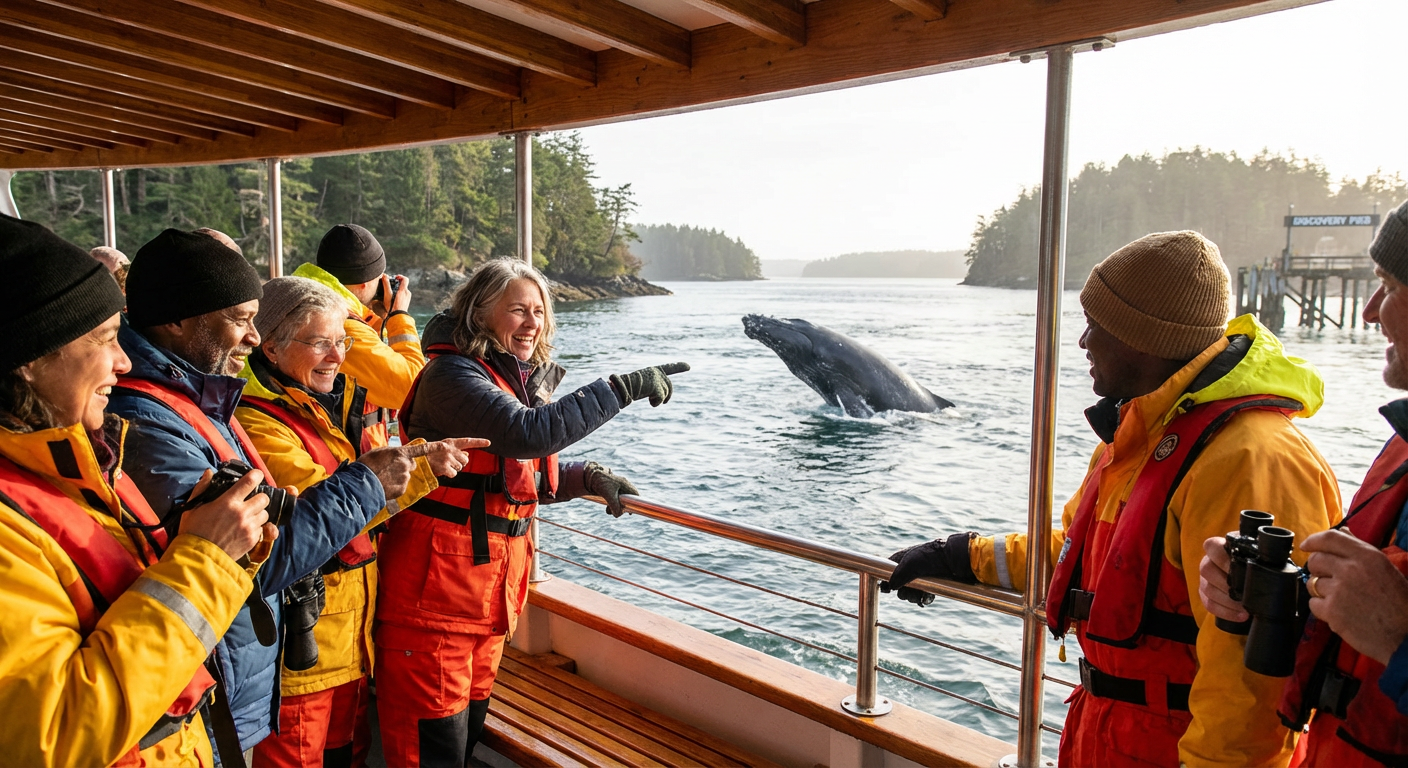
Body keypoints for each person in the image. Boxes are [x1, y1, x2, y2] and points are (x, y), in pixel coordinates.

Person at [883, 231, 1341, 767]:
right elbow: (1086, 561)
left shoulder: (1250, 460)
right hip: (1107, 735)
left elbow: (1252, 694)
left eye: (1096, 326)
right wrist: (960, 555)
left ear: (1141, 338)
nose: (1083, 342)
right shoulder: (1143, 436)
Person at [107, 228, 449, 765]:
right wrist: (374, 477)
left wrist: (414, 468)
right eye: (241, 321)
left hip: (278, 657)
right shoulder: (150, 422)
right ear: (177, 320)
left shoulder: (207, 401)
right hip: (235, 670)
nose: (249, 339)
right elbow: (262, 556)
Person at [374, 258, 690, 766]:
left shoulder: (507, 380)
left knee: (464, 741)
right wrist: (621, 388)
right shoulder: (452, 375)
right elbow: (529, 433)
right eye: (517, 309)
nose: (532, 322)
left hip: (484, 604)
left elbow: (519, 473)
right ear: (479, 313)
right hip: (431, 607)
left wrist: (586, 477)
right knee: (428, 755)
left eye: (539, 311)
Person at [0, 214, 268, 766]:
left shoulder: (79, 462)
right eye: (103, 339)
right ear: (28, 358)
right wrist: (207, 558)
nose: (123, 360)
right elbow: (54, 731)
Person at [237, 277, 483, 768]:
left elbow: (360, 483)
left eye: (342, 342)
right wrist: (419, 471)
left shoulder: (322, 407)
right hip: (303, 651)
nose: (336, 357)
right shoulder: (260, 422)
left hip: (349, 638)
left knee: (349, 755)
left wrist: (418, 457)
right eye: (320, 343)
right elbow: (330, 513)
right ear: (271, 346)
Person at [1200, 202, 1408, 766]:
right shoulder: (1402, 449)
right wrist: (1272, 598)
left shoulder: (1257, 450)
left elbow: (1387, 631)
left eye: (1388, 287)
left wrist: (1397, 639)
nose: (1367, 312)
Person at [292, 224, 424, 449]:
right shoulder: (344, 327)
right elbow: (414, 390)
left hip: (320, 442)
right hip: (350, 456)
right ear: (365, 282)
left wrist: (376, 320)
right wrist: (399, 316)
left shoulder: (306, 304)